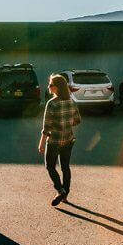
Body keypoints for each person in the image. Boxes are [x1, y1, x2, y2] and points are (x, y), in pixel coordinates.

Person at [38, 73, 81, 206]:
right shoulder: (71, 101)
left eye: (51, 85)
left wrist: (41, 142)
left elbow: (47, 125)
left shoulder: (52, 103)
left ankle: (60, 189)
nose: (48, 87)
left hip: (54, 141)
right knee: (65, 167)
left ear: (57, 87)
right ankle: (65, 195)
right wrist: (67, 124)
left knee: (50, 166)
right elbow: (77, 120)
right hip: (68, 139)